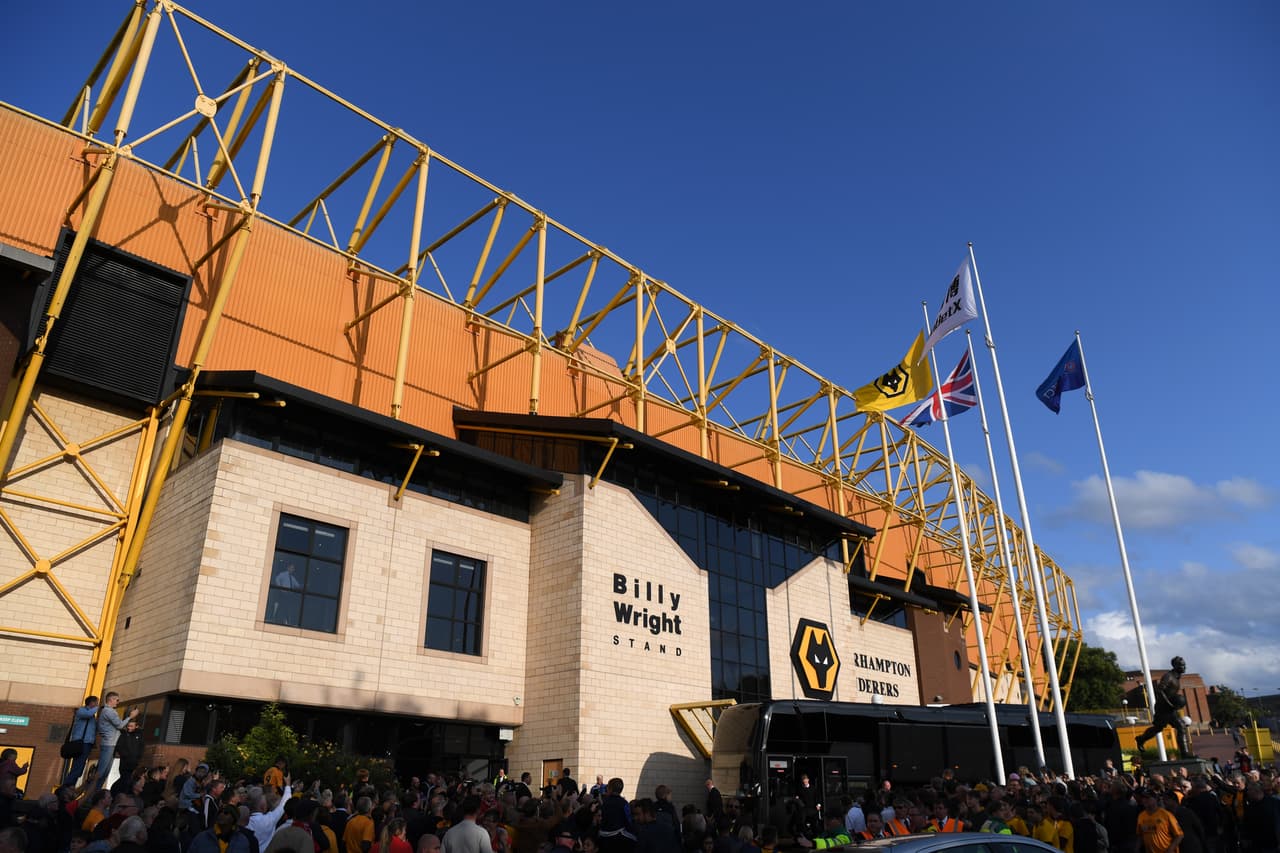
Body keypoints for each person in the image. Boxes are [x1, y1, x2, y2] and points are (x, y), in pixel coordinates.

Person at [1136, 658, 1193, 757]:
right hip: (1163, 708)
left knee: (1180, 727)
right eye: (1181, 665)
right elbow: (1159, 691)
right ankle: (1141, 739)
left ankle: (1185, 754)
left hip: (1170, 709)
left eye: (1184, 665)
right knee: (1159, 728)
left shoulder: (1176, 678)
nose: (1184, 667)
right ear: (1175, 666)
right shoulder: (1169, 676)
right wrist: (1169, 704)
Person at [94, 693, 140, 791]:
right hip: (109, 744)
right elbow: (120, 725)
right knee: (101, 772)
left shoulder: (109, 711)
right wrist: (130, 716)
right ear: (111, 700)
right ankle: (91, 795)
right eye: (117, 700)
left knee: (105, 773)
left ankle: (95, 793)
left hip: (111, 744)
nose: (118, 702)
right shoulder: (108, 711)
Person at [64, 697, 100, 787]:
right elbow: (88, 714)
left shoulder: (92, 716)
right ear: (92, 703)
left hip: (87, 743)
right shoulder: (81, 711)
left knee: (80, 767)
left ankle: (71, 785)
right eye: (96, 703)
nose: (97, 705)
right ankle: (67, 786)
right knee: (77, 766)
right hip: (80, 743)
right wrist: (99, 708)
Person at [1137, 789, 1184, 853]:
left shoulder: (1166, 815)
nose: (1145, 800)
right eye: (1143, 798)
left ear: (1156, 799)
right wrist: (1136, 849)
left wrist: (1170, 850)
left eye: (1148, 798)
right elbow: (1140, 835)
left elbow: (1179, 835)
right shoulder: (1141, 816)